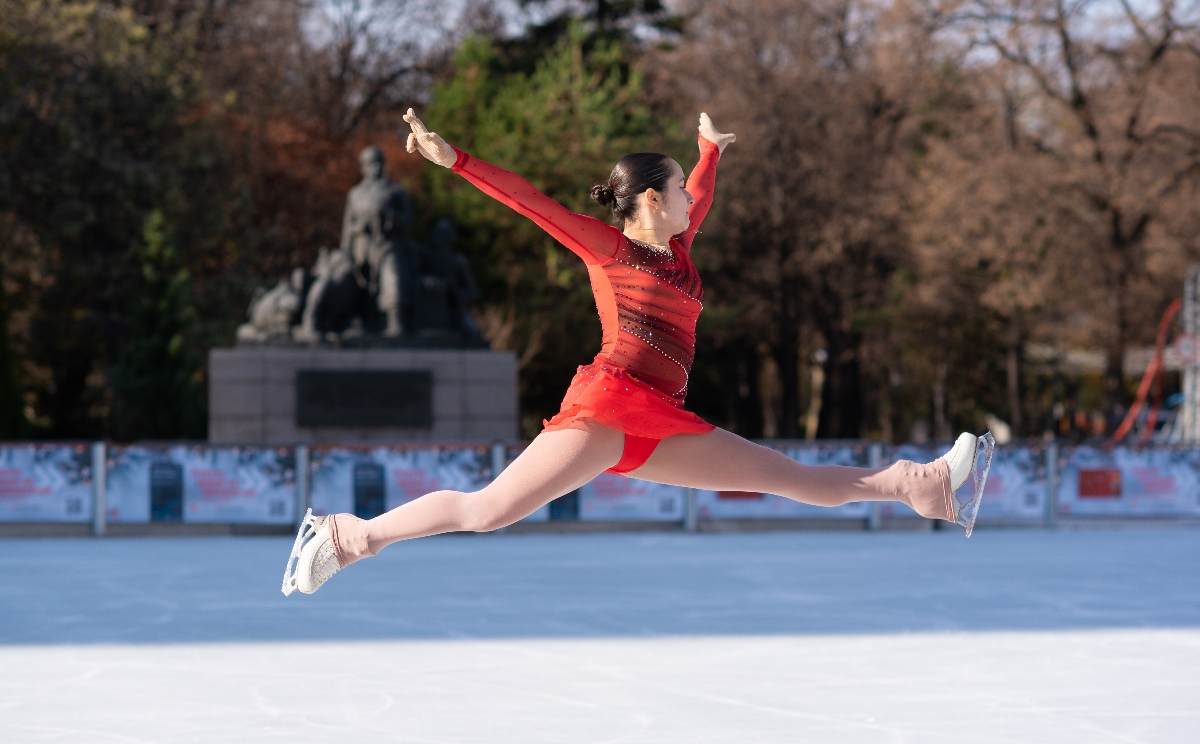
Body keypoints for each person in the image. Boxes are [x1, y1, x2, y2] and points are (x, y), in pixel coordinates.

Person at [281, 108, 995, 597]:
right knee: (488, 510)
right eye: (678, 186)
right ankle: (347, 536)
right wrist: (455, 159)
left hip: (655, 417)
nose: (690, 196)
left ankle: (918, 485)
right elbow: (532, 203)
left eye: (688, 185)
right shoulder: (610, 248)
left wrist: (712, 149)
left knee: (784, 475)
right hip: (609, 407)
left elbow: (706, 192)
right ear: (651, 199)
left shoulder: (679, 251)